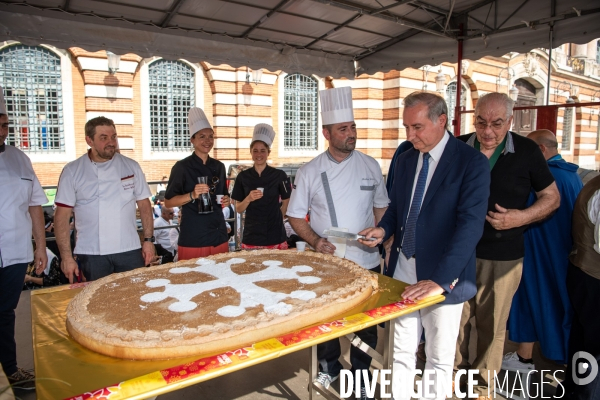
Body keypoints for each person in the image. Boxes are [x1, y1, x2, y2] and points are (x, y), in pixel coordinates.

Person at [359, 91, 490, 400]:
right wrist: (383, 228)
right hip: (403, 268)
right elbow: (397, 207)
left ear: (441, 121)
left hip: (444, 275)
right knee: (401, 350)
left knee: (439, 358)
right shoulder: (405, 159)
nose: (410, 135)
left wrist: (440, 281)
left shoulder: (470, 163)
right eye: (406, 127)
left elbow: (470, 227)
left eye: (416, 127)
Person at [454, 93, 560, 398]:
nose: (487, 131)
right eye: (481, 122)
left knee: (493, 327)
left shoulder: (526, 151)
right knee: (453, 324)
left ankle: (482, 388)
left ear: (510, 121)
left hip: (503, 257)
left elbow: (552, 198)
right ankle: (450, 380)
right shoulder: (457, 147)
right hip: (458, 256)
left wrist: (521, 217)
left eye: (497, 124)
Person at [287, 86, 389, 400]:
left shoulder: (370, 165)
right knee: (327, 319)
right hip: (328, 263)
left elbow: (382, 206)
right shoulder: (310, 171)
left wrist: (380, 229)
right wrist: (316, 241)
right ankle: (329, 367)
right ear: (326, 133)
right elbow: (295, 216)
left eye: (353, 127)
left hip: (366, 260)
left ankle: (361, 373)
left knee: (366, 324)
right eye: (343, 129)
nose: (351, 134)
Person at [504, 129, 582, 368]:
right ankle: (531, 358)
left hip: (539, 253)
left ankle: (529, 360)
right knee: (563, 308)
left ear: (540, 150)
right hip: (565, 254)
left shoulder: (544, 178)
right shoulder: (573, 176)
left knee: (534, 303)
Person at [54, 116, 155, 283]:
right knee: (97, 303)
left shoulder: (131, 166)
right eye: (104, 138)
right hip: (92, 252)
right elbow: (61, 216)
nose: (111, 142)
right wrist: (66, 256)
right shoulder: (72, 171)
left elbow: (145, 205)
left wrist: (148, 241)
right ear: (89, 140)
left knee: (134, 298)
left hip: (129, 248)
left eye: (113, 137)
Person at [0, 86, 48, 390]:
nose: (2, 131)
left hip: (15, 253)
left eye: (5, 125)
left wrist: (41, 246)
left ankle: (11, 371)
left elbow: (35, 206)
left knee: (5, 314)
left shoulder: (20, 159)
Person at [164, 107, 231, 260]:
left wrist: (226, 200)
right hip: (194, 235)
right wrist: (192, 195)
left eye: (210, 137)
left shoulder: (219, 166)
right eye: (202, 136)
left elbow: (223, 194)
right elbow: (169, 201)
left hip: (217, 232)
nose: (207, 141)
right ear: (192, 140)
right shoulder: (182, 167)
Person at [565, 174, 600, 399]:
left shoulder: (594, 183)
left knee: (582, 343)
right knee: (595, 351)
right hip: (594, 278)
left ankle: (574, 392)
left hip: (584, 273)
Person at [231, 124, 292, 249]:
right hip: (251, 235)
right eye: (255, 151)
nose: (259, 154)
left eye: (263, 151)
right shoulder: (243, 177)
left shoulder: (279, 175)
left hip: (275, 235)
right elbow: (238, 208)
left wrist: (277, 218)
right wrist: (248, 198)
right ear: (251, 153)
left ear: (268, 152)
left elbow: (287, 202)